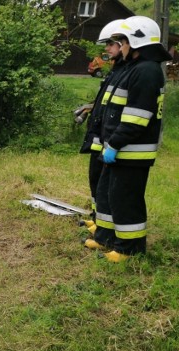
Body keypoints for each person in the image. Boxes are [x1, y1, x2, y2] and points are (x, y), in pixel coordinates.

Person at [92, 16, 172, 262]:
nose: (120, 47)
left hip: (132, 150)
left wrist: (115, 143)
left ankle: (130, 249)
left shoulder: (146, 71)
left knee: (127, 199)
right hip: (122, 148)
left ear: (135, 42)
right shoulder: (137, 69)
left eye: (123, 41)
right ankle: (107, 238)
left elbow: (138, 116)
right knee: (111, 194)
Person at [75, 19, 125, 243]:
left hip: (108, 140)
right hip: (99, 138)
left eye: (112, 44)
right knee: (95, 180)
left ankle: (103, 226)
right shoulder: (115, 71)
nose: (107, 49)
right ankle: (97, 218)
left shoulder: (126, 72)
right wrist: (88, 108)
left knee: (104, 185)